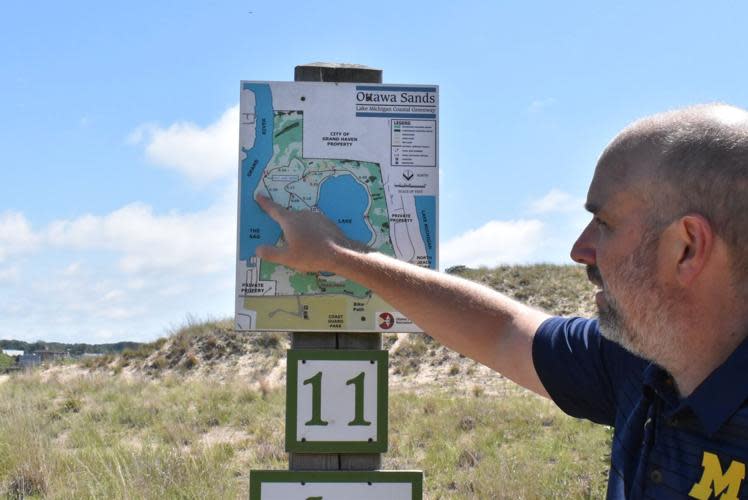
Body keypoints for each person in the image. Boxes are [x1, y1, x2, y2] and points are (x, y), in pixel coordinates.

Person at [256, 103, 748, 499]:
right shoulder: (638, 364)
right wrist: (340, 257)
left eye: (605, 223)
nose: (579, 249)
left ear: (686, 247)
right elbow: (503, 330)